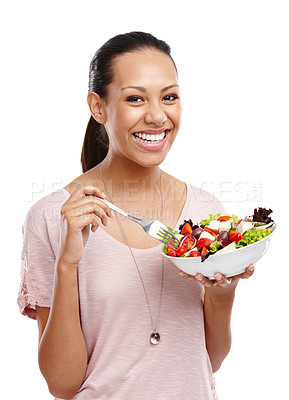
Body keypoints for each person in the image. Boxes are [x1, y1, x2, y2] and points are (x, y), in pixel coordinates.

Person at [17, 31, 254, 400]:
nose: (158, 116)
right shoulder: (51, 216)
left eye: (169, 97)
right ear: (98, 107)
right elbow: (62, 385)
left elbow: (211, 359)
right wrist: (68, 264)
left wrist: (224, 293)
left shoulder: (206, 213)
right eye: (135, 99)